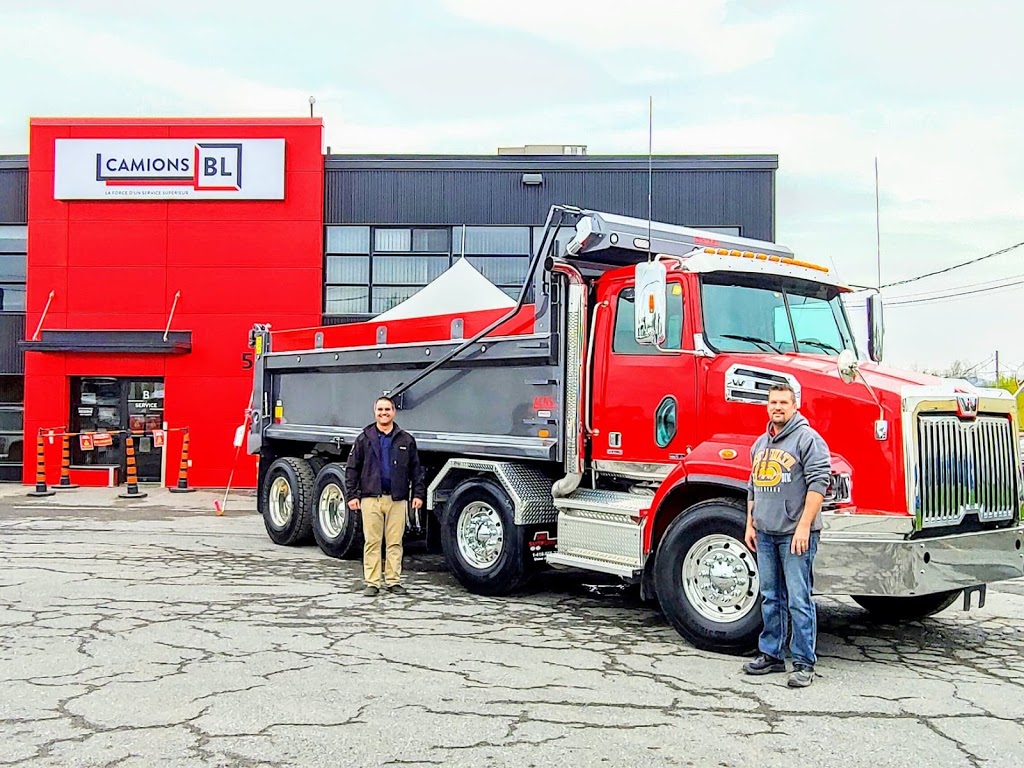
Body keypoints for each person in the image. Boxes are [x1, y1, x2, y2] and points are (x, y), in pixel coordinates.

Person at [742, 382, 830, 688]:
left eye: (784, 402)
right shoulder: (759, 445)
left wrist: (804, 526)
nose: (777, 407)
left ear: (795, 406)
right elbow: (752, 487)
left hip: (795, 535)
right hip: (765, 533)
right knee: (770, 597)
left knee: (799, 599)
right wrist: (750, 524)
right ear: (767, 406)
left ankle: (804, 662)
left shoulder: (808, 440)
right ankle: (772, 654)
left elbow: (819, 484)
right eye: (773, 402)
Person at [345, 396, 425, 597]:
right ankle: (372, 582)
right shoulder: (364, 438)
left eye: (387, 409)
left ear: (394, 412)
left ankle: (393, 581)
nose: (383, 413)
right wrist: (352, 495)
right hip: (371, 498)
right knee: (372, 542)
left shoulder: (406, 439)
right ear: (375, 412)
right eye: (380, 409)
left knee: (395, 542)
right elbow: (352, 468)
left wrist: (418, 493)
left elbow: (416, 469)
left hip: (397, 499)